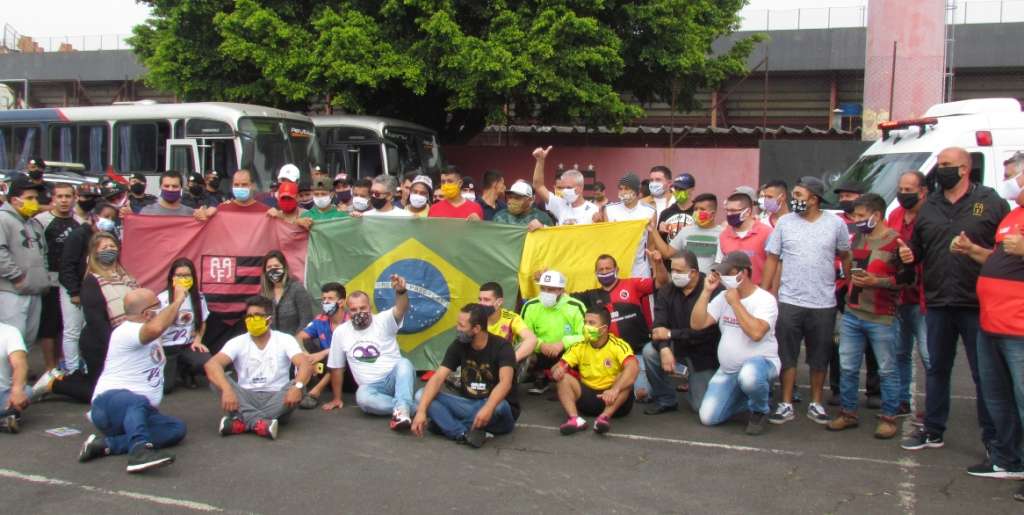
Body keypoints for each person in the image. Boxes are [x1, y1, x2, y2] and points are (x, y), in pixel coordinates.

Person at [898, 147, 1010, 454]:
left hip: (977, 302)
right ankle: (933, 430)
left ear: (964, 169)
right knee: (936, 369)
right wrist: (910, 254)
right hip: (938, 301)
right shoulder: (930, 205)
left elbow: (1005, 251)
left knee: (983, 373)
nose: (940, 169)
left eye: (946, 165)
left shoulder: (989, 202)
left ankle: (993, 439)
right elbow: (918, 247)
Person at [762, 176, 851, 425]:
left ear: (814, 199)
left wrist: (850, 284)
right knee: (787, 355)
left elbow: (846, 254)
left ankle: (816, 403)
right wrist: (765, 290)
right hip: (789, 301)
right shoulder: (785, 224)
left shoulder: (835, 224)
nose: (795, 200)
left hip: (823, 303)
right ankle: (786, 403)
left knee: (819, 357)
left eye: (800, 196)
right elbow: (772, 258)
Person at [77, 287, 188, 473]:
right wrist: (177, 301)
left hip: (139, 413)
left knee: (175, 429)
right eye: (158, 306)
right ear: (147, 313)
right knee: (136, 400)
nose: (161, 309)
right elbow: (156, 327)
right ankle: (140, 450)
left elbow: (164, 326)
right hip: (110, 405)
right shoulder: (126, 331)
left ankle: (105, 444)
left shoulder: (146, 330)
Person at [825, 194, 906, 439]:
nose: (856, 220)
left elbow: (907, 280)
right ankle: (848, 413)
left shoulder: (896, 243)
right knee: (848, 367)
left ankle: (889, 417)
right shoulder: (858, 238)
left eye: (861, 216)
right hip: (852, 312)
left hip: (882, 316)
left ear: (877, 215)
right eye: (855, 216)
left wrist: (877, 281)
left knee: (887, 369)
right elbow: (849, 269)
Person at [689, 252, 781, 436]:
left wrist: (736, 303)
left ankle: (759, 410)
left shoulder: (764, 299)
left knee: (749, 376)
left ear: (744, 273)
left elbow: (756, 333)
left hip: (762, 363)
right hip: (728, 370)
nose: (723, 278)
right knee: (707, 418)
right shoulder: (723, 296)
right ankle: (752, 396)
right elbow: (697, 324)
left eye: (728, 273)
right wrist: (706, 291)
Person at [42, 232, 140, 403]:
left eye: (112, 246)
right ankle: (53, 384)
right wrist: (114, 345)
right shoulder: (92, 281)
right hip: (101, 342)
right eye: (104, 248)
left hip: (126, 340)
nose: (110, 250)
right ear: (94, 253)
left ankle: (74, 377)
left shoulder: (127, 278)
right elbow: (96, 320)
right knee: (98, 393)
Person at [973, 184, 1024, 493]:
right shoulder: (1013, 214)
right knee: (998, 397)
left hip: (1019, 329)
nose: (1015, 183)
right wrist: (972, 251)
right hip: (992, 322)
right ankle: (1008, 459)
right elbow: (999, 258)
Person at [205, 295, 312, 440]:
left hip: (278, 397)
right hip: (246, 397)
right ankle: (261, 423)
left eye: (257, 316)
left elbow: (304, 364)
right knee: (216, 380)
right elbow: (212, 364)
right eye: (249, 316)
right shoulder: (237, 341)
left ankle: (242, 422)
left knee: (300, 384)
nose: (252, 319)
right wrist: (227, 390)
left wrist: (297, 387)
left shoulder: (285, 339)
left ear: (269, 318)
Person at [412, 304, 518, 447]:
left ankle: (446, 425)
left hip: (497, 409)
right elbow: (437, 378)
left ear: (476, 329)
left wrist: (488, 408)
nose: (457, 329)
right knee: (421, 395)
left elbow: (505, 383)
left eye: (462, 326)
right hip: (468, 404)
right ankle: (462, 433)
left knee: (500, 405)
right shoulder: (458, 345)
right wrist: (421, 411)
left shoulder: (502, 347)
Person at [324, 276, 415, 430]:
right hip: (371, 388)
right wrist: (337, 398)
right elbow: (337, 367)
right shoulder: (341, 332)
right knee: (363, 398)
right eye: (354, 309)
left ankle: (402, 408)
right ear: (348, 311)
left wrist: (401, 292)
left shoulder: (383, 320)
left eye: (362, 308)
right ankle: (411, 407)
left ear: (370, 307)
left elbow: (401, 308)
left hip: (394, 378)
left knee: (404, 364)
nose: (359, 312)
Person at [642, 251, 722, 416]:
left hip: (704, 352)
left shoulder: (712, 289)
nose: (674, 275)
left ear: (693, 272)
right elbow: (658, 328)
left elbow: (707, 333)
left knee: (700, 408)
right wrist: (664, 348)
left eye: (679, 271)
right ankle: (666, 399)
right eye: (673, 270)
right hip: (677, 346)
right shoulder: (666, 291)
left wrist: (671, 334)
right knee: (650, 351)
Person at [553, 307, 639, 435]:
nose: (586, 326)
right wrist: (558, 371)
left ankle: (603, 418)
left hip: (614, 401)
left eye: (591, 323)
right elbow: (557, 366)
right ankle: (575, 419)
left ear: (604, 329)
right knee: (563, 378)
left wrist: (615, 389)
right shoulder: (579, 346)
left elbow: (633, 367)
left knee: (625, 376)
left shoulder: (618, 345)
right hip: (588, 399)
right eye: (585, 322)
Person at [886, 170, 930, 417]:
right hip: (899, 296)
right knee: (900, 352)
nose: (903, 195)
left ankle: (933, 408)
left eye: (909, 190)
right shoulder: (895, 214)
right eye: (900, 190)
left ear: (923, 191)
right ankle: (902, 399)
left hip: (923, 297)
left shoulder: (932, 216)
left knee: (929, 356)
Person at [58, 202, 119, 375]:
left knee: (89, 330)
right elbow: (67, 265)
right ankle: (72, 369)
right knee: (73, 330)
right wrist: (74, 292)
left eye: (113, 218)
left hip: (96, 290)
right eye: (106, 217)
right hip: (74, 289)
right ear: (94, 216)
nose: (109, 221)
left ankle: (87, 366)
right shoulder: (78, 235)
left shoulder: (110, 236)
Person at [34, 182, 80, 371]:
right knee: (49, 327)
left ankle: (63, 362)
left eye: (67, 196)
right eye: (59, 196)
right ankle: (49, 368)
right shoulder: (41, 221)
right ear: (53, 199)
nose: (63, 200)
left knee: (66, 326)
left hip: (71, 282)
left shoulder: (80, 222)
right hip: (49, 281)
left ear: (74, 198)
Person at [0, 176, 48, 351]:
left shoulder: (34, 223)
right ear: (14, 200)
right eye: (30, 198)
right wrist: (17, 276)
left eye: (36, 198)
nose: (35, 202)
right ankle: (6, 379)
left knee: (28, 340)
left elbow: (44, 254)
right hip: (12, 291)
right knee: (12, 343)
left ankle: (20, 378)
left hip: (35, 290)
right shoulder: (3, 219)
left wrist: (44, 279)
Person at [520, 270, 586, 394]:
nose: (546, 293)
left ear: (561, 290)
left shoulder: (575, 306)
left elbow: (585, 334)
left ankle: (573, 381)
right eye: (543, 289)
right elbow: (522, 335)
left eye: (551, 289)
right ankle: (541, 377)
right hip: (540, 352)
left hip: (567, 352)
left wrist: (563, 343)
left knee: (585, 351)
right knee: (524, 352)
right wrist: (540, 344)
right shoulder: (530, 306)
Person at [157, 258, 211, 393]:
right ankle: (171, 371)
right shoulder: (162, 299)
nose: (183, 278)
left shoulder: (198, 297)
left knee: (205, 361)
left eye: (187, 275)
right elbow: (157, 327)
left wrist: (198, 340)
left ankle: (187, 372)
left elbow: (203, 321)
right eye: (179, 275)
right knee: (165, 388)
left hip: (187, 344)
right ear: (172, 277)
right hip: (167, 346)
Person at [297, 282, 349, 409]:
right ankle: (298, 388)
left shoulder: (351, 321)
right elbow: (300, 336)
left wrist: (323, 353)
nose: (326, 302)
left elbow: (349, 348)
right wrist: (306, 354)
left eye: (330, 299)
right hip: (326, 366)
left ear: (341, 302)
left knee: (340, 357)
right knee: (304, 346)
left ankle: (315, 392)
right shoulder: (320, 319)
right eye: (323, 299)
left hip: (349, 373)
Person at [601, 173, 657, 277]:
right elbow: (607, 241)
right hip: (617, 268)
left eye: (626, 189)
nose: (622, 192)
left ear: (636, 191)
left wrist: (654, 270)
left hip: (640, 268)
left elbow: (651, 244)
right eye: (620, 189)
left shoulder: (649, 212)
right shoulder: (609, 210)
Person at [650, 193, 721, 273]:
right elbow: (667, 253)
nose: (697, 212)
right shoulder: (686, 231)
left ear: (713, 214)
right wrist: (653, 230)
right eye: (696, 209)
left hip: (709, 283)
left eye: (702, 209)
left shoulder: (721, 234)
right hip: (687, 281)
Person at [717, 187, 773, 285]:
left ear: (747, 212)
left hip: (759, 293)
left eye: (733, 211)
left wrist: (764, 292)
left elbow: (774, 265)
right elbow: (719, 264)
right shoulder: (724, 235)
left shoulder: (767, 233)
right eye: (727, 210)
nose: (729, 214)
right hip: (731, 293)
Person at [531, 146, 599, 225]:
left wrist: (600, 221)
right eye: (562, 188)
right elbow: (538, 186)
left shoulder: (593, 210)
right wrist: (540, 160)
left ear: (580, 188)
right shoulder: (560, 204)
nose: (564, 191)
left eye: (568, 187)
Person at [478, 282, 538, 362]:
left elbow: (532, 339)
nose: (481, 304)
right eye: (480, 299)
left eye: (486, 300)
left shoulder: (511, 319)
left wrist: (510, 360)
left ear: (499, 302)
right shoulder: (473, 317)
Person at [260, 250, 313, 337]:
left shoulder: (297, 288)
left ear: (284, 267)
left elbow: (306, 319)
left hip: (295, 344)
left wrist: (294, 342)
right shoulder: (263, 294)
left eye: (276, 266)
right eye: (269, 267)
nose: (273, 269)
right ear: (265, 271)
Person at [0, 322, 29, 434]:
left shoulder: (10, 331)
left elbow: (20, 363)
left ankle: (6, 417)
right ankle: (5, 418)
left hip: (2, 393)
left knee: (26, 391)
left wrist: (17, 390)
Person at [656, 173, 697, 242]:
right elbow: (658, 241)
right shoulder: (665, 213)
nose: (677, 191)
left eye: (681, 189)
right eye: (675, 188)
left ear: (692, 189)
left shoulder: (698, 211)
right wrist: (659, 232)